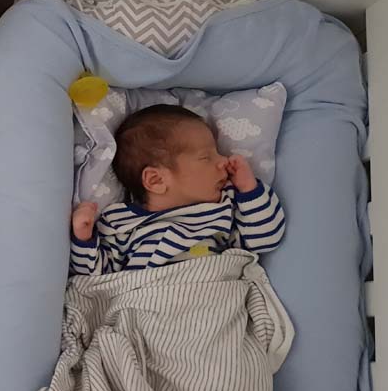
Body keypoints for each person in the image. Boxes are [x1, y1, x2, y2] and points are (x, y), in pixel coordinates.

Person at [70, 104, 285, 275]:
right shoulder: (121, 222)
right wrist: (83, 238)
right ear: (156, 180)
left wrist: (249, 189)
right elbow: (97, 274)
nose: (224, 161)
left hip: (212, 298)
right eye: (206, 157)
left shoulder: (224, 208)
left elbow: (265, 239)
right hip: (146, 302)